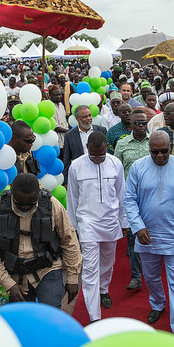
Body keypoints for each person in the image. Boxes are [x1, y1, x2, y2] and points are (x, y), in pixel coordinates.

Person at [123, 130, 174, 338]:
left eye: (164, 152)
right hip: (147, 235)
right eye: (154, 152)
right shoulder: (138, 168)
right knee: (150, 277)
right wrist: (137, 227)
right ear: (149, 149)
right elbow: (129, 200)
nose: (159, 156)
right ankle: (158, 303)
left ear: (170, 148)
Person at [0, 173, 82, 308]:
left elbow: (69, 241)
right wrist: (8, 283)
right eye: (19, 203)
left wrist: (73, 278)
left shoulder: (52, 205)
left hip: (48, 269)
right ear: (12, 193)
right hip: (15, 275)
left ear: (38, 194)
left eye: (31, 203)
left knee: (50, 316)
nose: (25, 207)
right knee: (23, 321)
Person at [67, 132, 129, 322]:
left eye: (101, 154)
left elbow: (121, 194)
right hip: (87, 222)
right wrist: (74, 227)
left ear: (106, 149)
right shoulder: (76, 166)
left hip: (110, 220)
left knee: (108, 262)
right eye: (93, 155)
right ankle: (94, 316)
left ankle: (104, 290)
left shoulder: (114, 163)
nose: (97, 159)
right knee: (90, 269)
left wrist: (124, 221)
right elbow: (72, 198)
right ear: (87, 149)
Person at [115, 110, 152, 290]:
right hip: (131, 198)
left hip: (154, 197)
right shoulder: (121, 144)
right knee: (133, 237)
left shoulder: (154, 142)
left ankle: (152, 270)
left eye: (143, 123)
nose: (140, 126)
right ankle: (136, 276)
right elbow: (116, 173)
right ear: (131, 123)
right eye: (137, 123)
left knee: (154, 234)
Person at [62, 105, 106, 183]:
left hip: (100, 171)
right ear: (77, 118)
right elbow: (67, 159)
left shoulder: (101, 131)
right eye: (84, 117)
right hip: (80, 173)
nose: (88, 119)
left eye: (89, 115)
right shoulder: (70, 136)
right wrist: (66, 181)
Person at [48, 84, 69, 157]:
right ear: (50, 95)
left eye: (60, 94)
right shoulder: (49, 106)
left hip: (63, 138)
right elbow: (54, 126)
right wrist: (68, 131)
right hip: (55, 139)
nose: (58, 97)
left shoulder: (61, 105)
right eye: (55, 95)